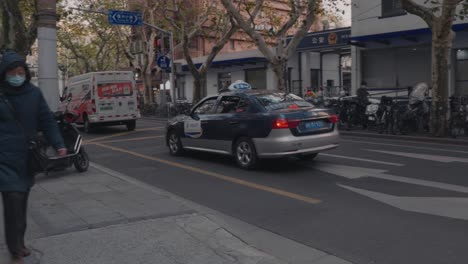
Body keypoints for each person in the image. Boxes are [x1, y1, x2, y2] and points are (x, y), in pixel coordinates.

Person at [0, 52, 67, 264]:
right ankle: (15, 250)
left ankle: (19, 242)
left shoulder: (34, 94)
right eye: (12, 72)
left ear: (26, 74)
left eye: (21, 72)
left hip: (27, 156)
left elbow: (47, 121)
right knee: (13, 201)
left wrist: (59, 144)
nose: (17, 76)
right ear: (4, 73)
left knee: (22, 200)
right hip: (3, 157)